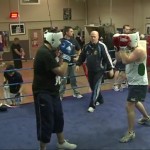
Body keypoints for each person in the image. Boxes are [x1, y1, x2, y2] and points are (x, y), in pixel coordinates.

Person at [32, 31, 77, 150]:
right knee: (46, 120)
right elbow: (61, 72)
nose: (60, 43)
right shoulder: (44, 53)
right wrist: (67, 57)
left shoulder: (51, 51)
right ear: (53, 40)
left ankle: (61, 142)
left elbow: (60, 66)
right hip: (43, 91)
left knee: (58, 116)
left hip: (53, 89)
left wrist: (61, 55)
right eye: (59, 40)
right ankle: (42, 148)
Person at [113, 32, 150, 143]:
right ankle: (146, 117)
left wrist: (123, 47)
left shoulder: (139, 50)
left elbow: (126, 60)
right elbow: (119, 59)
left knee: (129, 106)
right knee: (136, 101)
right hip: (134, 81)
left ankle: (130, 132)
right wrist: (117, 47)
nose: (127, 45)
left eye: (128, 43)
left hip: (139, 83)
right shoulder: (131, 49)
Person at [76, 31, 114, 113]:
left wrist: (111, 68)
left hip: (99, 70)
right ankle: (100, 99)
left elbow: (107, 57)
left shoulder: (102, 46)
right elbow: (82, 56)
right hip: (90, 70)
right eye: (92, 36)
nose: (93, 38)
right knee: (93, 87)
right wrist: (78, 64)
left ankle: (92, 105)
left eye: (94, 36)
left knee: (96, 87)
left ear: (98, 36)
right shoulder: (86, 46)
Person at [59, 26, 83, 100]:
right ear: (66, 32)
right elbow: (57, 51)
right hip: (64, 64)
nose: (72, 33)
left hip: (72, 63)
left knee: (73, 79)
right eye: (71, 31)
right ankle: (60, 95)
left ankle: (76, 93)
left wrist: (78, 57)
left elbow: (79, 49)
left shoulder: (74, 40)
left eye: (73, 31)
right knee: (63, 80)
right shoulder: (61, 41)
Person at [113, 25, 131, 91]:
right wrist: (117, 57)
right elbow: (116, 47)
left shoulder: (128, 37)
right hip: (120, 55)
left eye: (129, 29)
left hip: (126, 56)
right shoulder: (119, 37)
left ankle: (123, 83)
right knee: (118, 70)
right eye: (126, 29)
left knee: (125, 70)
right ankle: (115, 85)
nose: (128, 31)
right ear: (123, 29)